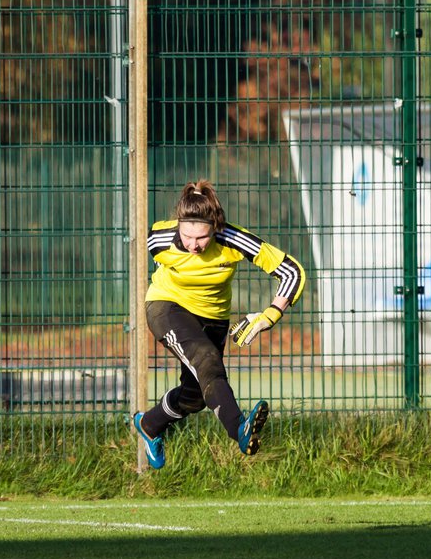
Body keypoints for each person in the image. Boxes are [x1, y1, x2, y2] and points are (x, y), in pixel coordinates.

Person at [131, 180, 305, 470]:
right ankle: (240, 429)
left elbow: (291, 271)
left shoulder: (232, 239)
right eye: (187, 236)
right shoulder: (159, 239)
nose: (193, 245)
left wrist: (270, 315)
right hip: (166, 307)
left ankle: (149, 425)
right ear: (178, 225)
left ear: (215, 226)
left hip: (213, 318)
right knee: (206, 359)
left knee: (194, 398)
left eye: (201, 237)